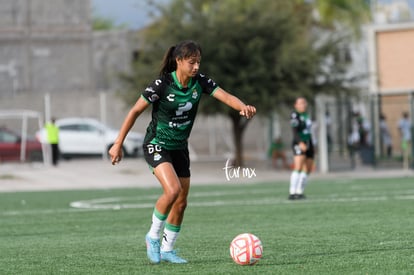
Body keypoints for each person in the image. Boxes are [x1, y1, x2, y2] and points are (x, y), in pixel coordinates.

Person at [108, 40, 256, 264]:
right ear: (178, 61)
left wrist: (242, 106)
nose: (196, 67)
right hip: (157, 143)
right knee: (173, 190)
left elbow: (225, 96)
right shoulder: (162, 84)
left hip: (180, 148)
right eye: (191, 62)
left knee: (181, 202)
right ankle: (152, 236)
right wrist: (118, 143)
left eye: (198, 62)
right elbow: (135, 111)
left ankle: (168, 249)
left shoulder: (200, 82)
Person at [288, 97, 314, 200]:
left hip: (309, 142)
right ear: (296, 105)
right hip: (299, 142)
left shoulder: (306, 115)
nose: (303, 105)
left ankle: (299, 191)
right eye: (300, 103)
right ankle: (292, 192)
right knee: (298, 167)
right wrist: (300, 142)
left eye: (304, 103)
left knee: (308, 168)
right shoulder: (295, 115)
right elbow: (294, 131)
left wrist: (311, 143)